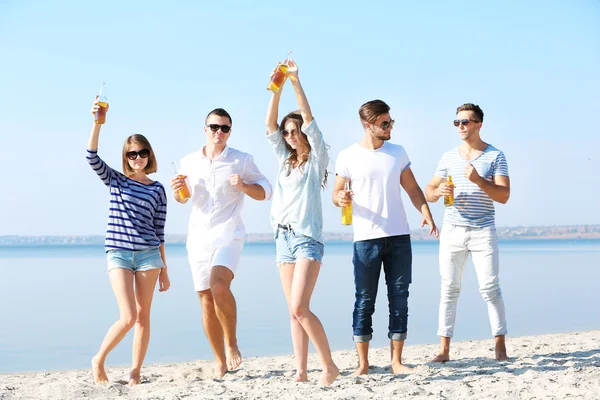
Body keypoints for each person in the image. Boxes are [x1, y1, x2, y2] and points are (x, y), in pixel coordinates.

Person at [332, 99, 438, 375]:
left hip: (399, 237)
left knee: (399, 297)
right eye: (385, 123)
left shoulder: (397, 152)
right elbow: (336, 193)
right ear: (368, 125)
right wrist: (341, 196)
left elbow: (413, 188)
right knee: (365, 300)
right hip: (365, 238)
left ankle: (397, 362)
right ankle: (363, 364)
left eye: (391, 122)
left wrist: (426, 211)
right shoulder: (347, 156)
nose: (390, 127)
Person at [171, 108, 272, 378]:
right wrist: (179, 191)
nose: (219, 132)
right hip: (198, 238)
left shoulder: (242, 160)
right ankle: (219, 360)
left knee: (218, 285)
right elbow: (183, 199)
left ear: (230, 132)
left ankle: (232, 342)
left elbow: (266, 192)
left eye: (225, 128)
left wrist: (243, 186)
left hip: (229, 234)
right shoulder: (188, 161)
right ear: (205, 129)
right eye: (214, 127)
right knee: (205, 298)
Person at [264, 60, 339, 386]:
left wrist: (294, 81)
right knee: (293, 312)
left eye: (295, 132)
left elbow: (309, 121)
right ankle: (302, 370)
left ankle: (329, 366)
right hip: (282, 239)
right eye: (287, 133)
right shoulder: (285, 161)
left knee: (300, 306)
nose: (291, 136)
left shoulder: (316, 159)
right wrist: (275, 89)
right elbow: (269, 123)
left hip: (307, 238)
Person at [87, 98, 171, 385]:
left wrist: (165, 269)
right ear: (126, 157)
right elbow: (91, 157)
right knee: (128, 316)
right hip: (120, 254)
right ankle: (98, 359)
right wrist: (97, 124)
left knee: (144, 317)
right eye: (133, 154)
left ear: (150, 155)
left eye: (143, 152)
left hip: (149, 256)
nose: (138, 158)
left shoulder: (158, 189)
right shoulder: (116, 181)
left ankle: (135, 373)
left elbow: (159, 232)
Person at [425, 103, 510, 362]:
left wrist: (478, 181)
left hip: (483, 229)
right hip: (452, 229)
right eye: (457, 122)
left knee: (490, 288)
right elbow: (429, 190)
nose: (460, 126)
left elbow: (504, 195)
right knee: (449, 289)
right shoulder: (449, 156)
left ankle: (500, 347)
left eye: (465, 122)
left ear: (478, 125)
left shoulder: (495, 156)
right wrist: (437, 193)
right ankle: (444, 350)